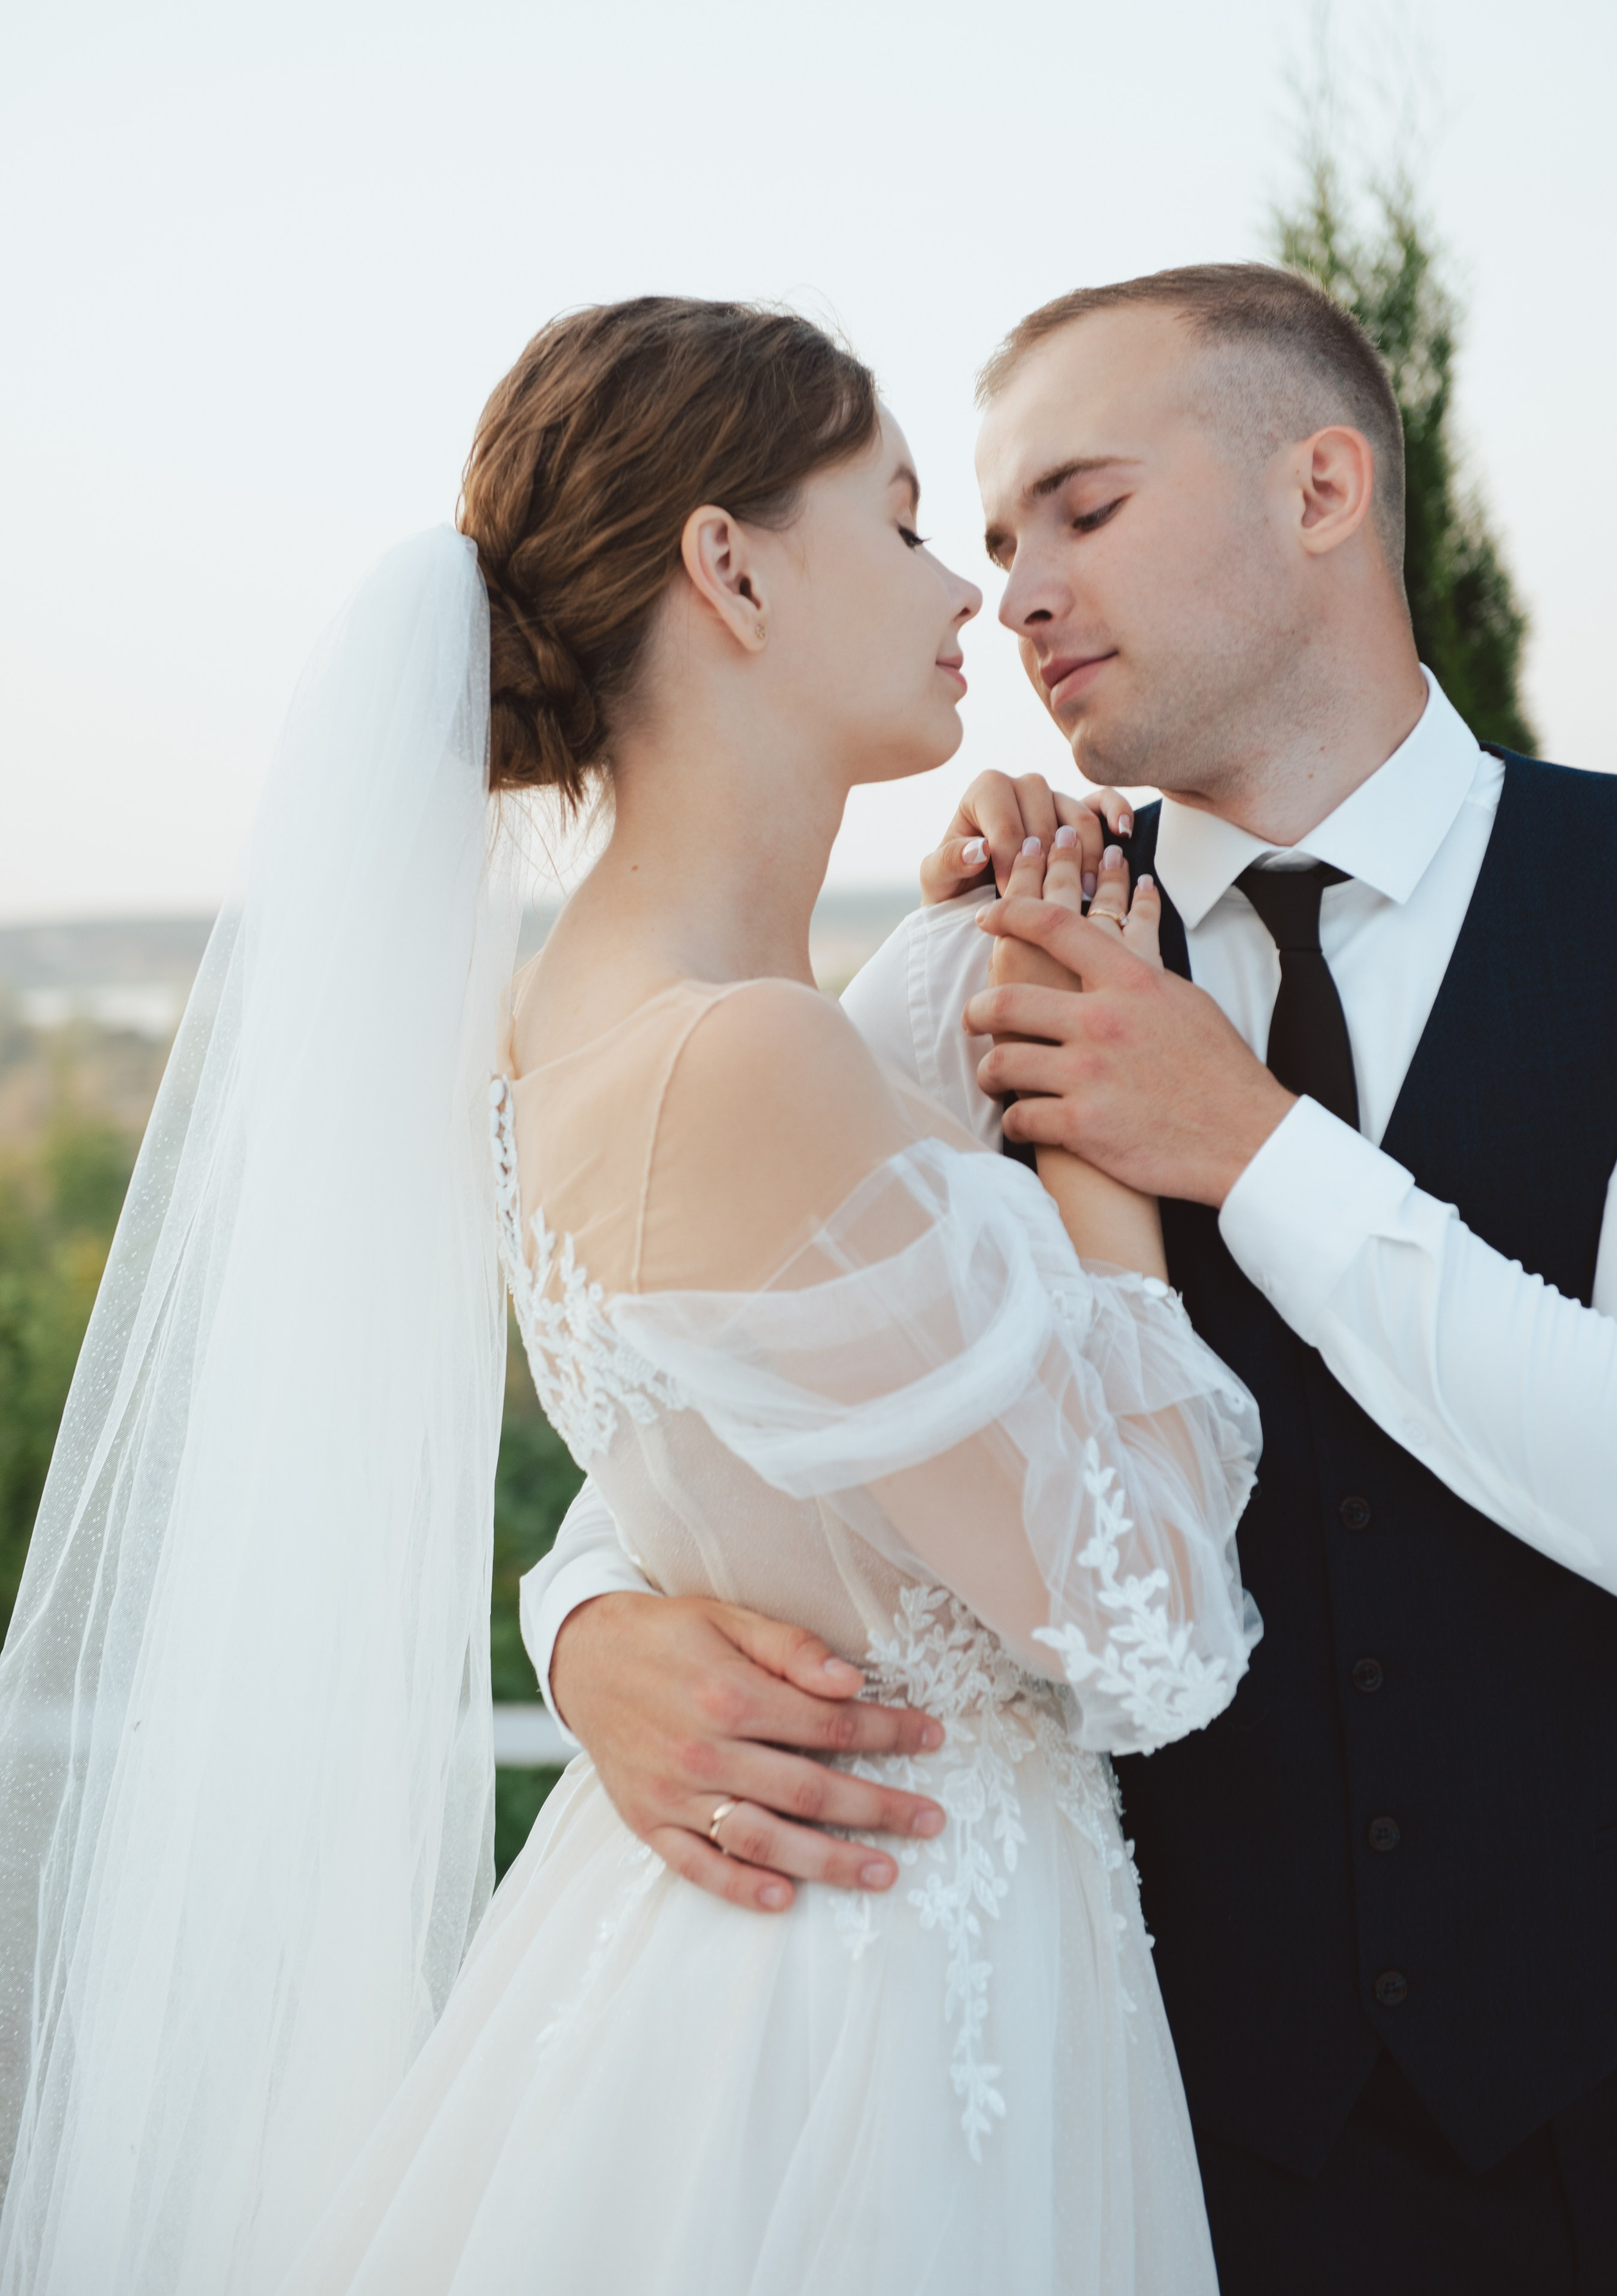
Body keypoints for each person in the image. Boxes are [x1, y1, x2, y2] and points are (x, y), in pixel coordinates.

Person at [0, 297, 1262, 2294]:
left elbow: (769, 1448)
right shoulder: (741, 1062)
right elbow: (1159, 1621)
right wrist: (1101, 1121)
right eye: (909, 516)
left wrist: (960, 981)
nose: (973, 593)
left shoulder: (587, 1028)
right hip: (867, 2023)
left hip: (734, 1941)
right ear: (729, 561)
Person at [531, 267, 1617, 2295]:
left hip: (1606, 2132)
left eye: (1084, 508)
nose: (1012, 587)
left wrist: (1252, 1149)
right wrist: (588, 1626)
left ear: (1322, 487)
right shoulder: (985, 949)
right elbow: (737, 1376)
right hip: (1138, 2139)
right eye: (983, 525)